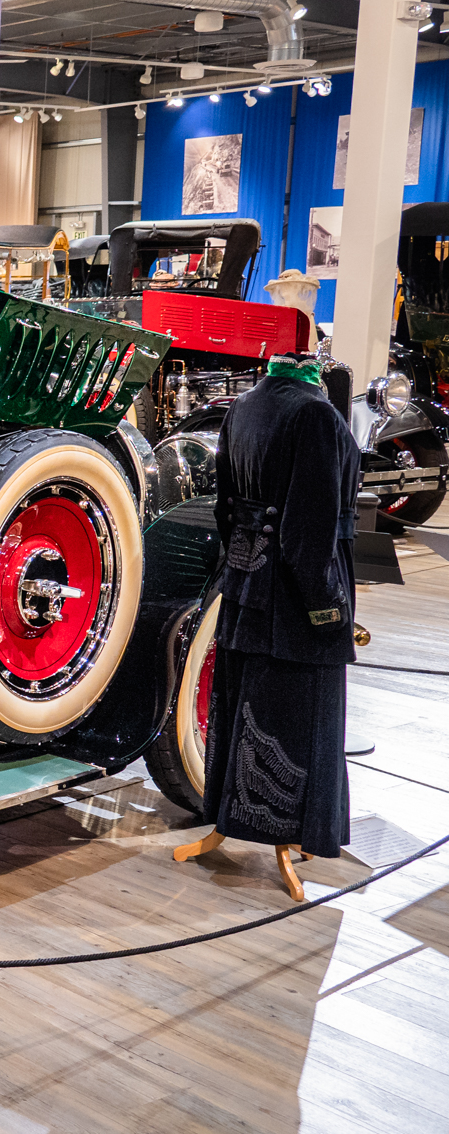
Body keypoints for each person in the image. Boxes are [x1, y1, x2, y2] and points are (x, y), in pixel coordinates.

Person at [177, 352, 359, 900]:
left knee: (245, 702)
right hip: (296, 594)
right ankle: (284, 829)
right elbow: (309, 530)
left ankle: (233, 818)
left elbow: (225, 508)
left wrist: (242, 565)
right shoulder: (315, 414)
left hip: (244, 579)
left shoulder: (244, 406)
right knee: (297, 714)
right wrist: (328, 609)